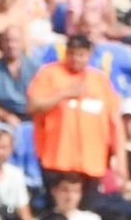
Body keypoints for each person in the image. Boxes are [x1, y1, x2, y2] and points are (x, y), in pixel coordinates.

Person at [25, 34, 124, 194]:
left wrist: (120, 160)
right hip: (57, 159)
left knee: (88, 215)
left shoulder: (100, 80)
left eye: (81, 55)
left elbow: (114, 120)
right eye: (72, 54)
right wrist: (63, 94)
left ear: (89, 55)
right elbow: (32, 106)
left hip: (92, 162)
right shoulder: (49, 73)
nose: (76, 59)